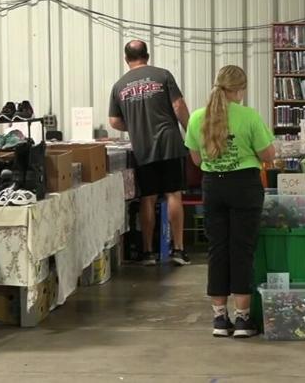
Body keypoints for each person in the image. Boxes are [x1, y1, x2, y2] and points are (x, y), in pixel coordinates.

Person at [184, 65, 275, 338]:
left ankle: (220, 318)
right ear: (240, 90)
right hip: (244, 186)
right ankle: (243, 319)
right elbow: (268, 154)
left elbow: (196, 159)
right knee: (242, 249)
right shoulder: (249, 116)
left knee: (217, 249)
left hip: (213, 186)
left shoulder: (197, 117)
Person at [109, 40, 191, 266]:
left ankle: (147, 253)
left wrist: (135, 126)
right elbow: (178, 106)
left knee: (148, 197)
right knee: (173, 194)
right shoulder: (163, 75)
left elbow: (114, 121)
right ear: (147, 55)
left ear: (126, 59)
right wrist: (191, 132)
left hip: (142, 147)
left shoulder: (119, 86)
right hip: (169, 143)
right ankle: (178, 250)